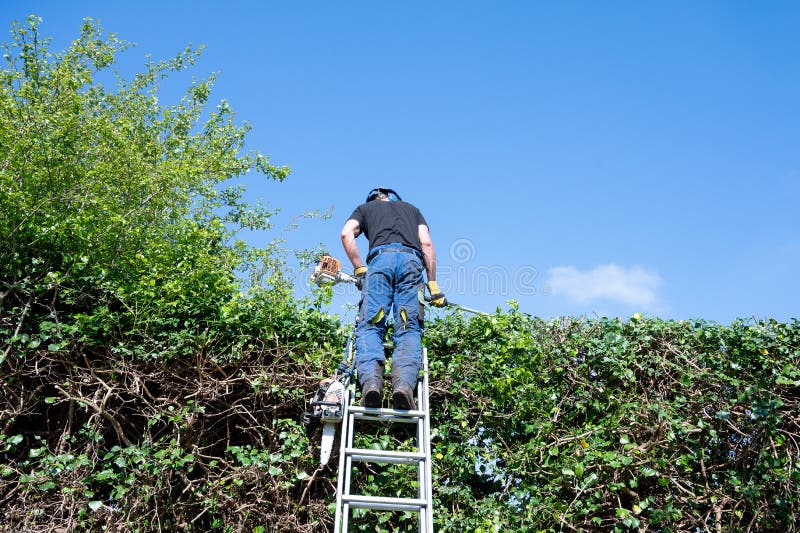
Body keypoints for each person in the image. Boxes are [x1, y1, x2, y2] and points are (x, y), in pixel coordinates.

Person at [341, 187, 446, 410]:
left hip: (380, 263)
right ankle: (403, 387)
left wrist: (359, 269)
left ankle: (371, 384)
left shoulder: (365, 209)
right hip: (411, 264)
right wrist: (433, 285)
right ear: (394, 198)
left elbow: (346, 233)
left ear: (373, 200)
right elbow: (426, 243)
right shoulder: (413, 210)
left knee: (371, 327)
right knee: (409, 328)